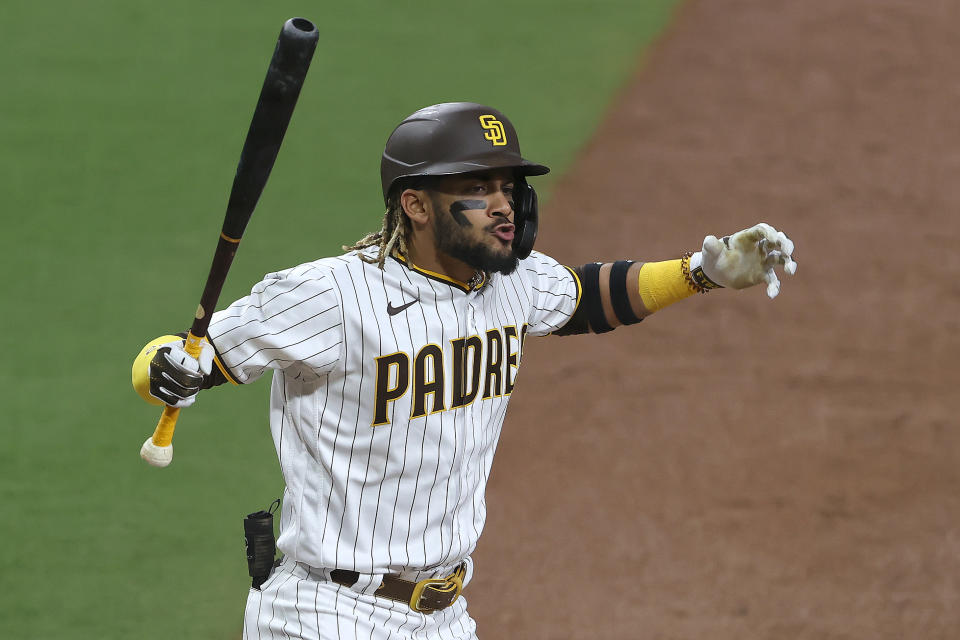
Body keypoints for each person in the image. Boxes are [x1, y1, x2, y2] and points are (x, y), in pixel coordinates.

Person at [132, 102, 797, 639]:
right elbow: (185, 360)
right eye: (477, 187)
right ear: (416, 205)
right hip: (326, 616)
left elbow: (588, 297)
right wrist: (166, 368)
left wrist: (701, 274)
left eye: (506, 185)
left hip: (444, 616)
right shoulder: (330, 296)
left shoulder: (510, 283)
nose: (504, 203)